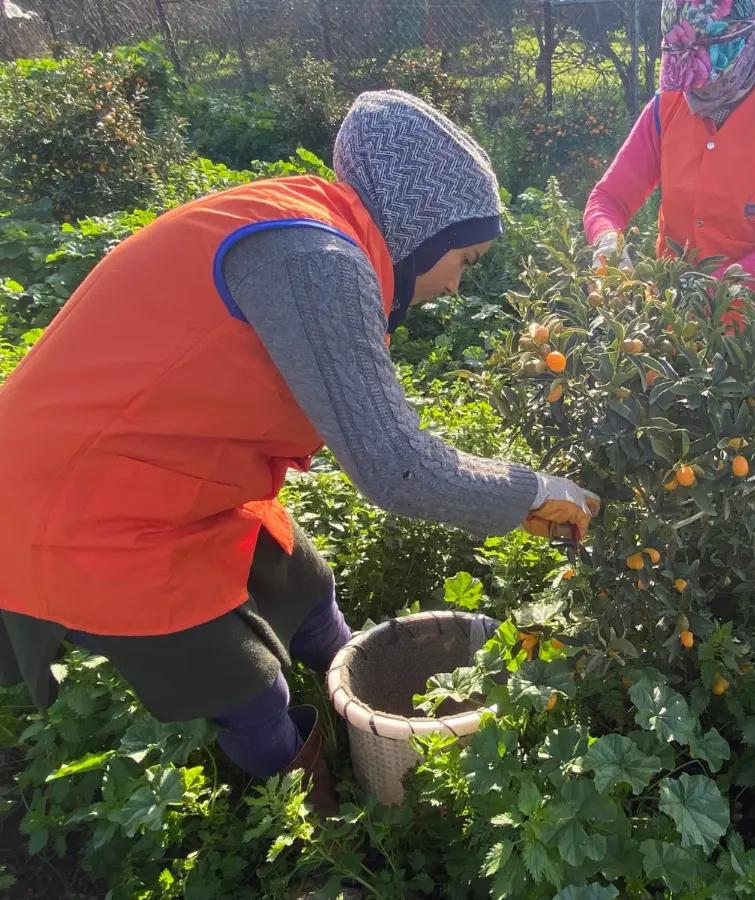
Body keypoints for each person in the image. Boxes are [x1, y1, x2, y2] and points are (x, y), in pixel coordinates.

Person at [0, 91, 599, 813]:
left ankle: (360, 706)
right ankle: (312, 830)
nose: (454, 285)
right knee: (249, 690)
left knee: (305, 587)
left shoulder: (320, 232)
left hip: (183, 473)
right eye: (464, 258)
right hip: (82, 503)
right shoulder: (315, 259)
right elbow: (395, 467)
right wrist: (532, 492)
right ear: (420, 229)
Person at [584, 0, 755, 322]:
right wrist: (607, 242)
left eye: (706, 73)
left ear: (745, 43)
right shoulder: (670, 104)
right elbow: (608, 198)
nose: (696, 88)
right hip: (674, 318)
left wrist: (701, 295)